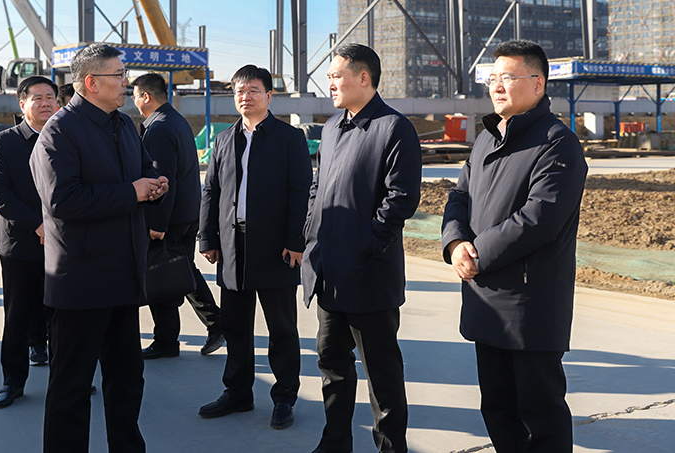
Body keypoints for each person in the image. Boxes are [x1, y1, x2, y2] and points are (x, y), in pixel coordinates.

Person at [441, 39, 587, 452]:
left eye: (508, 77)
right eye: (493, 78)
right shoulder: (487, 139)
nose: (497, 86)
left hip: (529, 304)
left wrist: (476, 254)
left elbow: (539, 219)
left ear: (538, 84)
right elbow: (459, 196)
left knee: (540, 416)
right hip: (485, 297)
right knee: (498, 408)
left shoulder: (557, 143)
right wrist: (455, 243)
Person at [29, 43, 168, 452]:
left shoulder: (122, 124)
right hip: (82, 281)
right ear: (91, 82)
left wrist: (154, 185)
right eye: (119, 75)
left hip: (124, 276)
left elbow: (143, 169)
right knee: (71, 387)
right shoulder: (59, 132)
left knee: (127, 379)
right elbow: (63, 200)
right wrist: (131, 192)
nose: (126, 83)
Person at [302, 43, 422, 453]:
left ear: (364, 78)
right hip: (328, 272)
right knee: (332, 364)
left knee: (381, 374)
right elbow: (318, 186)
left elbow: (401, 197)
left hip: (368, 275)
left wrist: (367, 245)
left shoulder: (393, 128)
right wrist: (311, 232)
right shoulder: (332, 127)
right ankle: (335, 441)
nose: (330, 84)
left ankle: (391, 448)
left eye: (336, 76)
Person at [198, 64, 312, 430]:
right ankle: (238, 393)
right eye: (239, 91)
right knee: (235, 325)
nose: (245, 97)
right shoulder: (223, 139)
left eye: (253, 90)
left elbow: (301, 192)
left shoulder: (289, 138)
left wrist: (296, 241)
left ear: (269, 96)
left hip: (276, 248)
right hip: (233, 246)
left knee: (281, 328)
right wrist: (208, 237)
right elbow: (211, 191)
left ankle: (284, 397)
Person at [131, 73, 224, 358]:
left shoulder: (159, 128)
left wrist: (158, 223)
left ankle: (168, 340)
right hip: (186, 213)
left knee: (162, 275)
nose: (133, 102)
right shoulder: (175, 120)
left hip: (169, 218)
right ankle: (214, 324)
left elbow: (163, 180)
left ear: (146, 97)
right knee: (180, 270)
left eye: (135, 96)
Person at [0, 75, 58, 409]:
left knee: (64, 317)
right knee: (17, 317)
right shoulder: (4, 143)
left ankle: (68, 379)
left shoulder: (67, 139)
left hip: (65, 246)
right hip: (21, 246)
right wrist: (37, 225)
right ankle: (12, 382)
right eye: (37, 97)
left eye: (50, 97)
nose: (45, 103)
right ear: (22, 103)